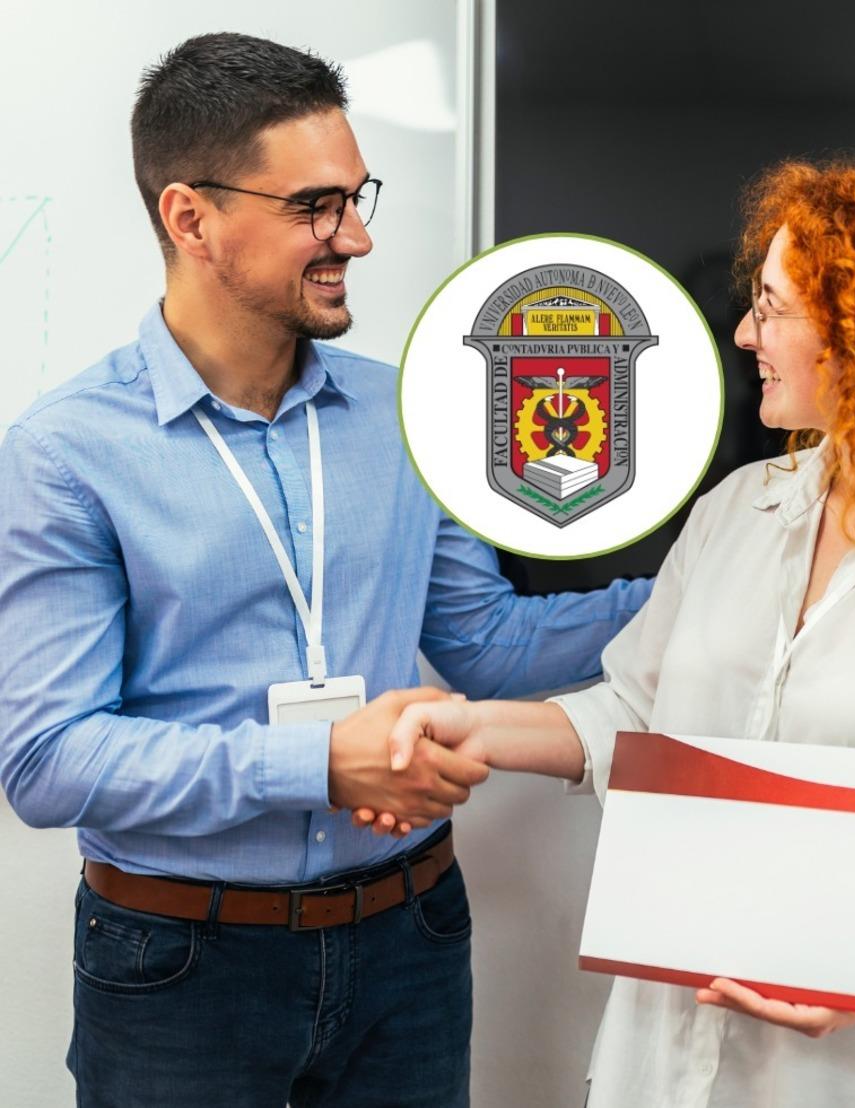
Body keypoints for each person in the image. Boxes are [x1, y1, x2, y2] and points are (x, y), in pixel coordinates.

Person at [372, 153, 855, 1107]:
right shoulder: (740, 509)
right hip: (662, 1064)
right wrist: (474, 728)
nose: (744, 334)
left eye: (773, 307)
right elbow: (639, 711)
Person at [0, 33, 650, 1108]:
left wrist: (708, 589)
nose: (356, 234)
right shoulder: (67, 453)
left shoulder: (404, 416)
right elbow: (49, 759)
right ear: (189, 217)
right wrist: (316, 766)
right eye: (316, 205)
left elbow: (484, 643)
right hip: (179, 965)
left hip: (412, 936)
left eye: (356, 196)